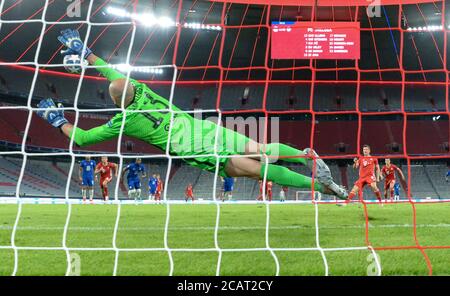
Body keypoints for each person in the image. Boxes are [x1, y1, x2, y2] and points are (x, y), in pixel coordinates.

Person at [35, 29, 347, 200]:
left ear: (117, 102)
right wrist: (86, 51)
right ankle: (305, 155)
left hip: (196, 148)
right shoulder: (142, 89)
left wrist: (59, 122)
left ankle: (319, 187)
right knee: (264, 150)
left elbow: (85, 138)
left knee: (257, 170)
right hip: (207, 129)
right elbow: (113, 74)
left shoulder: (122, 120)